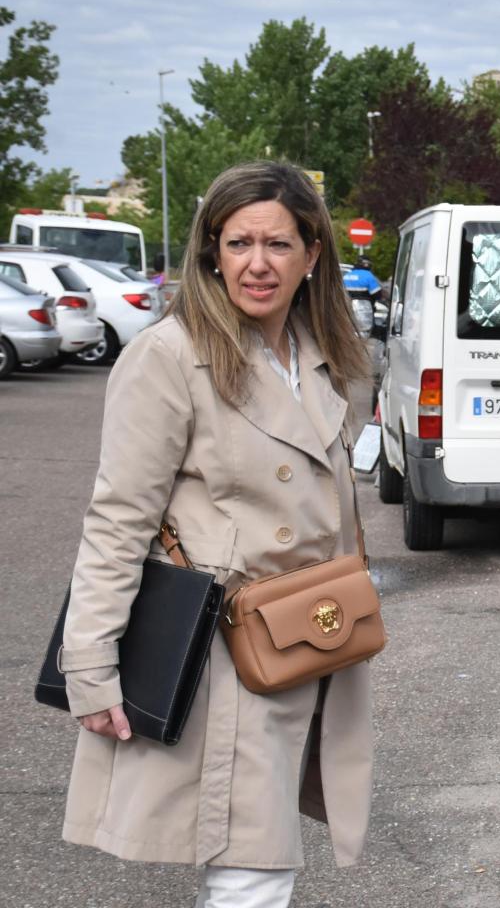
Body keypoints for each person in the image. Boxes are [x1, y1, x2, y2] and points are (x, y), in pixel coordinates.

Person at [58, 161, 375, 907]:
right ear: (211, 253)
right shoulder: (169, 357)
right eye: (238, 244)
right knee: (250, 871)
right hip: (227, 653)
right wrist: (91, 664)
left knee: (264, 866)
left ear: (313, 255)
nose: (257, 264)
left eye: (278, 245)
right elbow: (118, 518)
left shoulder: (326, 355)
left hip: (314, 636)